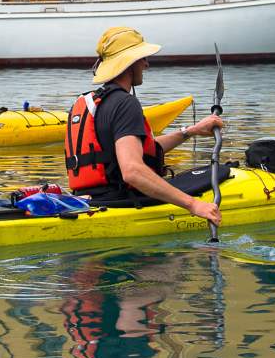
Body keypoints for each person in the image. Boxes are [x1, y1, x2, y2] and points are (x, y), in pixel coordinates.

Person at [65, 26, 225, 223]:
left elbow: (137, 149)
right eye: (142, 59)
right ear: (129, 63)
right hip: (120, 202)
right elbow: (132, 171)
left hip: (87, 200)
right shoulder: (125, 103)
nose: (147, 65)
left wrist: (191, 131)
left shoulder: (93, 102)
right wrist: (194, 205)